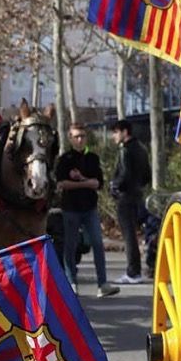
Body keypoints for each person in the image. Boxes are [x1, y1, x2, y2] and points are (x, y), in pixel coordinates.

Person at [55, 124, 119, 298]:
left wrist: (81, 179)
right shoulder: (65, 159)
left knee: (98, 244)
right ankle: (71, 282)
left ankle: (102, 283)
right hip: (71, 208)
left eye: (82, 136)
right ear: (70, 138)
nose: (80, 139)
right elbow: (62, 184)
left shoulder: (92, 158)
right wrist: (85, 183)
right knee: (70, 246)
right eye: (76, 136)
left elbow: (98, 183)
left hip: (90, 208)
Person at [109, 120, 152, 284]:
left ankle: (133, 272)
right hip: (138, 195)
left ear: (125, 132)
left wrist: (115, 185)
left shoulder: (125, 150)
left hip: (126, 196)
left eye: (115, 132)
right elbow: (147, 175)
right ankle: (136, 270)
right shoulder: (141, 148)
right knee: (133, 234)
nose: (114, 136)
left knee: (129, 236)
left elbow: (124, 173)